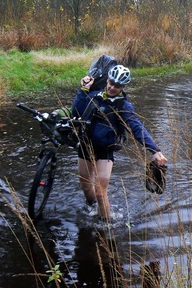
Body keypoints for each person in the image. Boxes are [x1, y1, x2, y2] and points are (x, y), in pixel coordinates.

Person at [72, 64, 168, 221]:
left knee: (100, 192)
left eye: (117, 85)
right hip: (85, 144)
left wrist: (154, 150)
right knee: (85, 184)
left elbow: (137, 127)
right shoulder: (94, 95)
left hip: (105, 149)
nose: (112, 87)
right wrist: (83, 90)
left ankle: (106, 225)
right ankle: (91, 208)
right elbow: (76, 111)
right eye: (111, 82)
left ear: (123, 86)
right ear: (107, 80)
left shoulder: (123, 105)